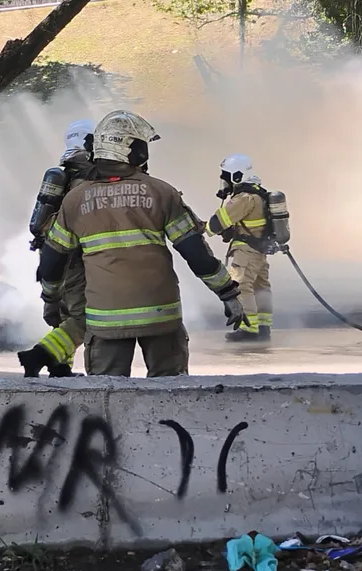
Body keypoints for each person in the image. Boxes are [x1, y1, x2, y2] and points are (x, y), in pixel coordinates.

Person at [35, 110, 246, 377]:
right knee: (171, 395)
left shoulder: (75, 200)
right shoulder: (161, 193)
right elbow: (196, 253)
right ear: (133, 151)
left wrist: (51, 300)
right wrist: (227, 293)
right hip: (162, 319)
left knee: (106, 400)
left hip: (105, 322)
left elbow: (53, 261)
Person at [17, 119, 95, 378]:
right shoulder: (84, 182)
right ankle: (40, 356)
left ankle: (61, 367)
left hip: (53, 253)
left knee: (64, 316)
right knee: (83, 318)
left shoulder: (65, 176)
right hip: (75, 257)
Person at [205, 154, 274, 342]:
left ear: (237, 176)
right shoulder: (259, 194)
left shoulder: (244, 198)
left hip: (246, 251)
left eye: (226, 176)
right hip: (259, 251)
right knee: (261, 287)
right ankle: (263, 326)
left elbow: (219, 221)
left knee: (241, 286)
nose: (224, 181)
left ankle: (249, 329)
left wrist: (202, 228)